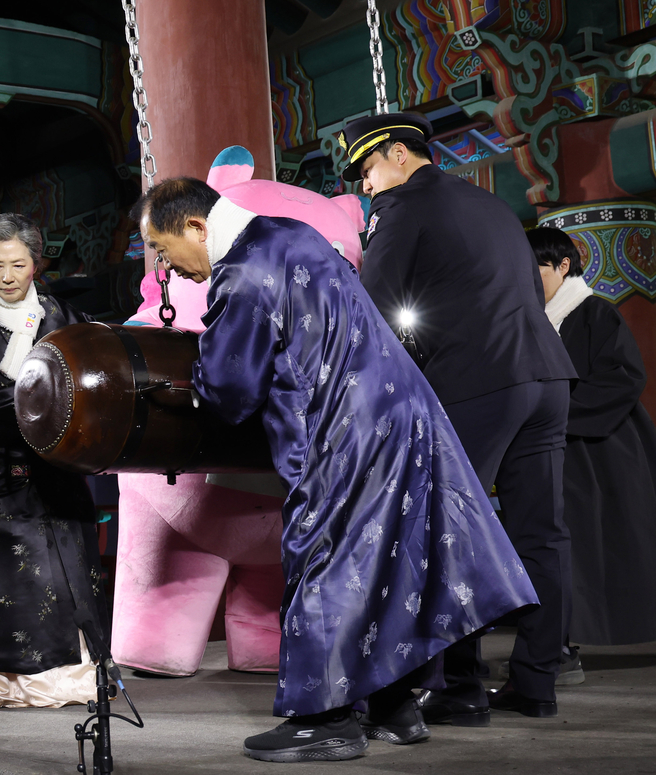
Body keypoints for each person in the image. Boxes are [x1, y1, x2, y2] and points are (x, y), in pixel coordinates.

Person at [136, 177, 537, 763]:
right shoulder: (293, 235)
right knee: (395, 558)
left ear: (196, 227)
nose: (172, 268)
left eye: (167, 251)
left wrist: (182, 386)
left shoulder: (243, 273)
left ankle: (321, 719)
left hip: (343, 433)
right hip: (405, 414)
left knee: (322, 560)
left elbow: (229, 392)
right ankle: (394, 709)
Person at [351, 112, 576, 722]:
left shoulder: (399, 209)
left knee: (454, 532)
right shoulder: (491, 204)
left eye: (366, 169)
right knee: (542, 536)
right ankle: (536, 684)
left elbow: (371, 309)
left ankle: (459, 687)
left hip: (479, 384)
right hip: (547, 378)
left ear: (398, 155)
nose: (364, 185)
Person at [0, 212, 106, 710]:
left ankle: (64, 678)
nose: (6, 276)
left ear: (36, 265)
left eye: (18, 264)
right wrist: (44, 402)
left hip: (59, 469)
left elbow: (92, 372)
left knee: (67, 574)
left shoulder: (61, 314)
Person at [527, 227, 656, 648]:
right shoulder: (535, 321)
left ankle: (567, 646)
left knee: (604, 546)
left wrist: (556, 412)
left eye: (537, 268)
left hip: (603, 451)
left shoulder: (595, 312)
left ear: (564, 266)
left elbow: (623, 377)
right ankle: (559, 644)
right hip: (557, 447)